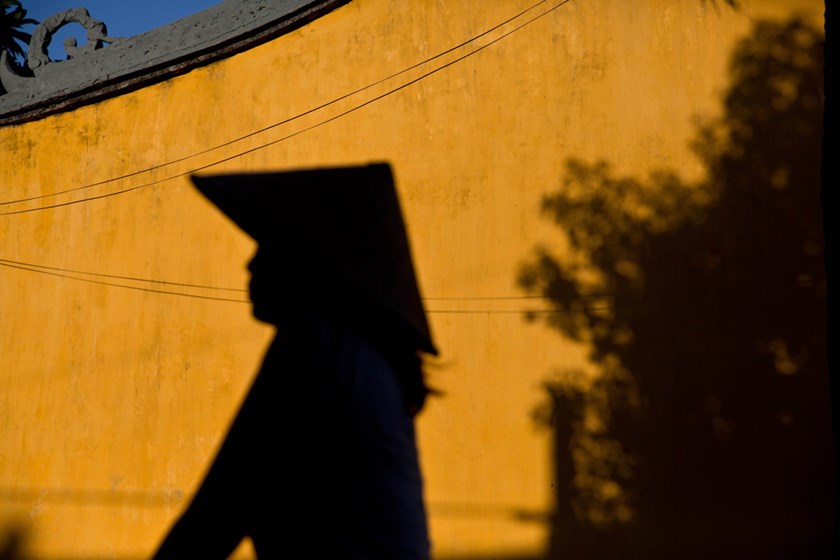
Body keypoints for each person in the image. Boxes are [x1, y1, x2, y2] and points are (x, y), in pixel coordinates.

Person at [151, 163, 438, 559]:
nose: (250, 266)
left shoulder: (320, 350)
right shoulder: (358, 356)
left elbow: (217, 513)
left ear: (308, 263)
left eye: (268, 247)